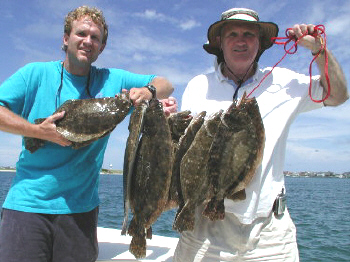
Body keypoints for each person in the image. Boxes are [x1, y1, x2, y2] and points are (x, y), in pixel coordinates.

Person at [0, 6, 174, 262]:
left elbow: (166, 84)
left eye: (95, 38)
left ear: (102, 47)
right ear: (65, 38)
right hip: (28, 205)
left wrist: (148, 92)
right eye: (81, 33)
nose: (87, 41)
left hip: (81, 209)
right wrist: (39, 132)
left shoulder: (112, 79)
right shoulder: (34, 74)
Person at [174, 7, 348, 262]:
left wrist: (318, 49)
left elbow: (338, 95)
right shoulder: (197, 85)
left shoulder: (285, 81)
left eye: (249, 34)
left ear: (261, 43)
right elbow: (187, 149)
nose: (241, 40)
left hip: (269, 235)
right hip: (203, 227)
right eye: (232, 34)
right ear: (220, 42)